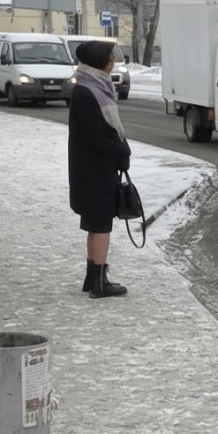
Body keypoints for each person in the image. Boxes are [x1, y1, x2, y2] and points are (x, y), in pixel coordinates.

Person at [68, 40, 131, 299]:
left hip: (91, 169)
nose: (113, 62)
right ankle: (100, 282)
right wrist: (121, 151)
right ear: (98, 61)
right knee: (102, 225)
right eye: (109, 58)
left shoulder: (91, 86)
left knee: (95, 224)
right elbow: (96, 137)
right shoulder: (88, 92)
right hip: (94, 171)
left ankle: (93, 277)